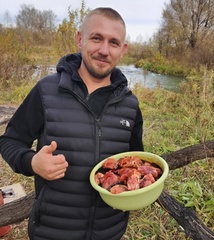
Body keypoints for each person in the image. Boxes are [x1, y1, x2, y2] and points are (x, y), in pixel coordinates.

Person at [0, 7, 144, 240]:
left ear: (123, 50)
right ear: (80, 39)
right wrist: (32, 162)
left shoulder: (130, 104)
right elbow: (10, 141)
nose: (104, 50)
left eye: (113, 42)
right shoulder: (47, 91)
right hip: (52, 231)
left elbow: (136, 159)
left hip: (110, 231)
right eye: (96, 38)